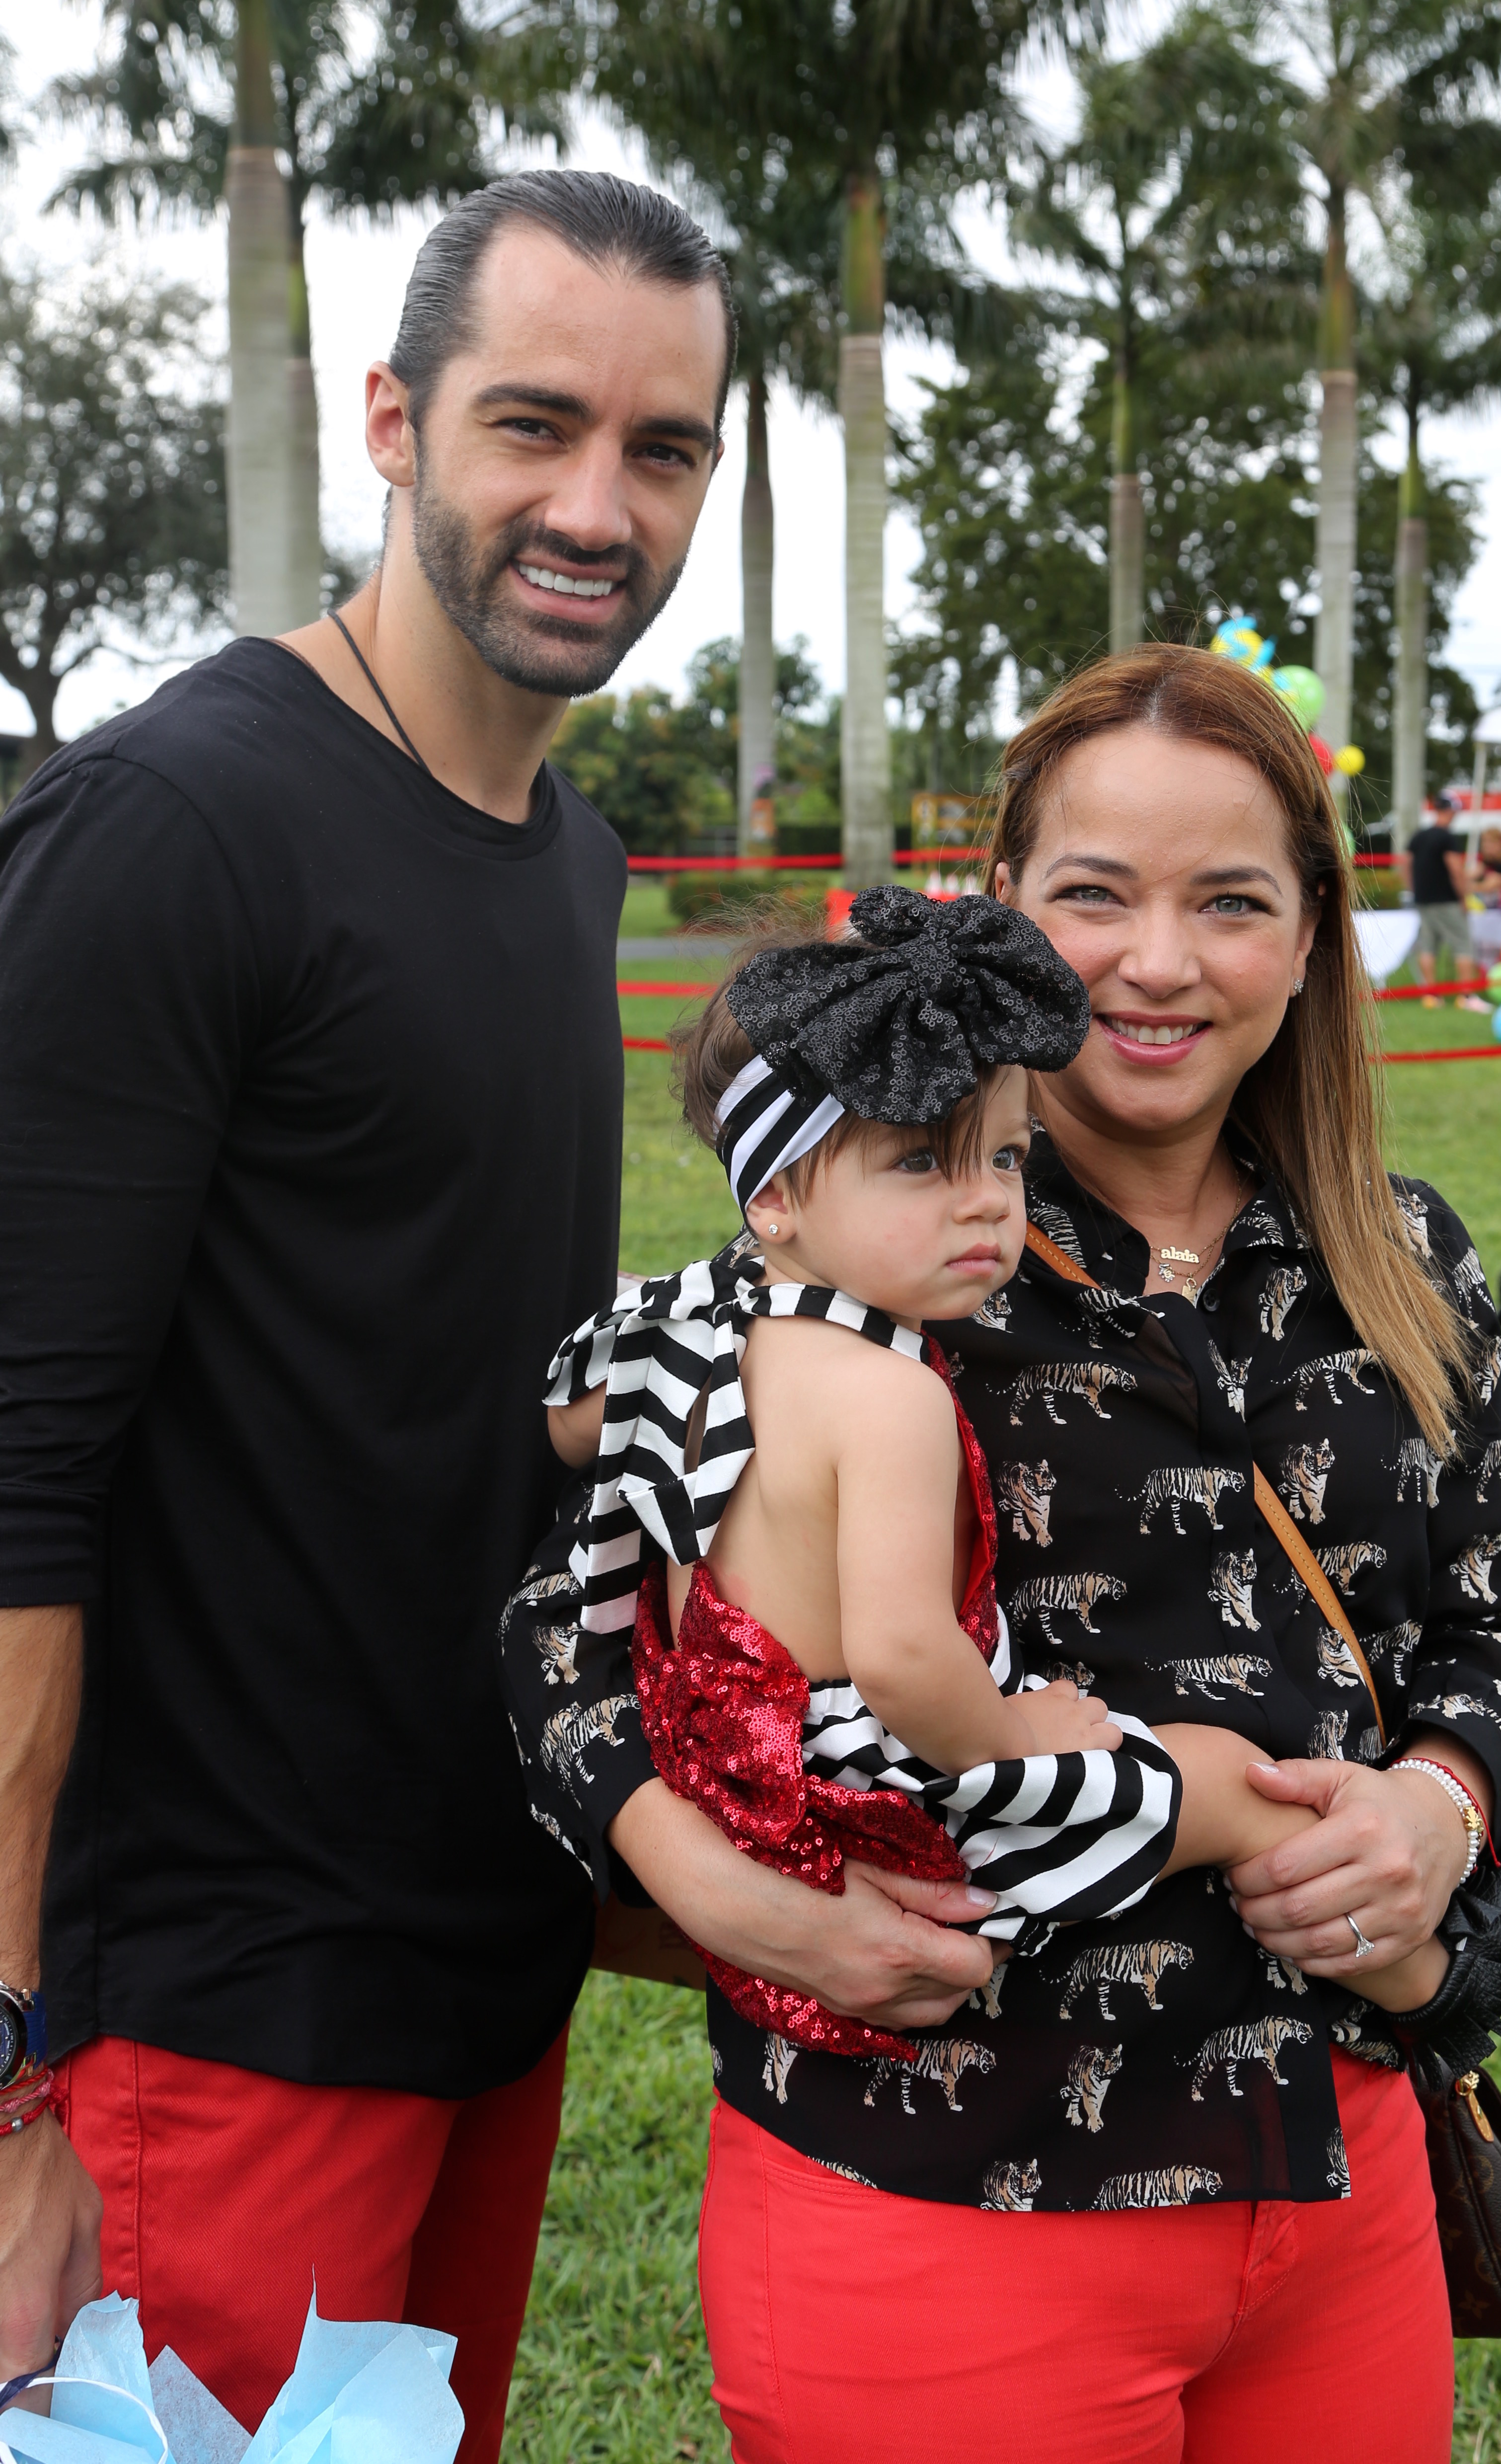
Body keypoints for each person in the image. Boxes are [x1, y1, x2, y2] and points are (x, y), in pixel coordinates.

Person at [504, 647, 1501, 2464]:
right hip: (938, 2182)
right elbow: (559, 1634)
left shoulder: (1401, 1248)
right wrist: (729, 1892)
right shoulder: (869, 1249)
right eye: (1094, 894)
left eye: (1231, 899)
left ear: (1312, 934)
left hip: (1335, 2166)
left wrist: (1443, 1806)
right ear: (1003, 915)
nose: (1159, 961)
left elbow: (1500, 1634)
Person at [0, 171, 735, 2457]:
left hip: (482, 1956)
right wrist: (8, 2074)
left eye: (666, 447)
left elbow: (451, 1378)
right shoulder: (173, 829)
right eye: (535, 425)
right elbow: (11, 1492)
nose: (596, 505)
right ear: (393, 424)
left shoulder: (573, 851)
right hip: (200, 2024)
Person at [535, 894, 1444, 2067]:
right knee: (1222, 1775)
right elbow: (909, 1660)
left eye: (1007, 1155)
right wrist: (1019, 1730)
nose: (983, 1200)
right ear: (774, 1195)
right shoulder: (889, 1391)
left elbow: (568, 1425)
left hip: (722, 1754)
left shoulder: (697, 1328)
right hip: (880, 1785)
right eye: (921, 1160)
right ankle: (1431, 1990)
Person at [1405, 790, 1488, 1010]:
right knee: (1463, 945)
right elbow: (1456, 871)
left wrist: (1414, 890)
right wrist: (1463, 898)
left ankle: (1432, 995)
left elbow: (1408, 866)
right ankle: (1467, 996)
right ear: (1451, 811)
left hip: (1424, 900)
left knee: (1429, 947)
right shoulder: (1447, 838)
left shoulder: (1419, 836)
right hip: (1447, 901)